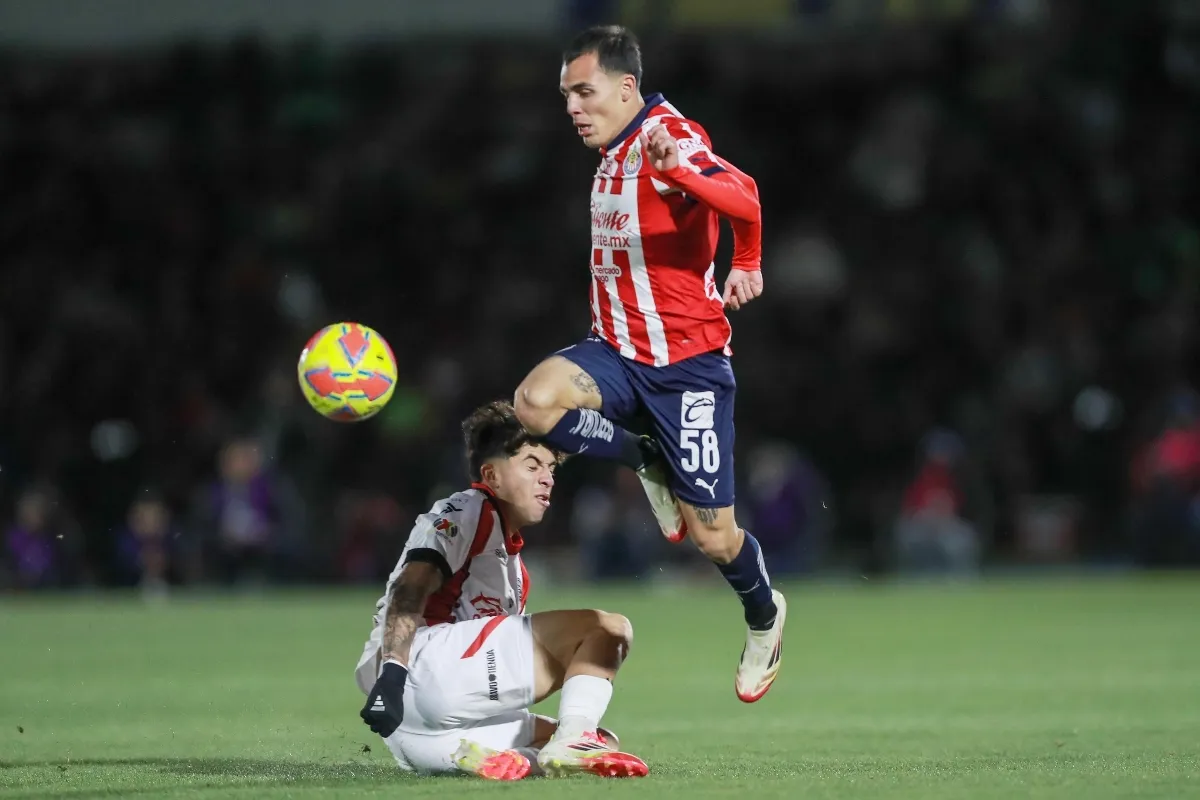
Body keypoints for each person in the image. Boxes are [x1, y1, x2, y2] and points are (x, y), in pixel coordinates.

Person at [513, 24, 785, 703]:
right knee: (535, 403)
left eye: (585, 91)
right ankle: (644, 457)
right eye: (566, 95)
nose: (573, 107)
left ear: (627, 87)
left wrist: (743, 254)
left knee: (713, 539)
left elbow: (746, 196)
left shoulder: (669, 138)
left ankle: (764, 615)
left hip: (687, 368)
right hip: (614, 352)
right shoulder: (613, 149)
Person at [356, 400, 649, 781]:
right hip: (414, 667)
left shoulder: (514, 572)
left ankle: (477, 757)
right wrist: (394, 672)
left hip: (415, 723)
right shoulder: (468, 509)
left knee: (603, 741)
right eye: (532, 465)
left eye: (551, 468)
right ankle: (574, 738)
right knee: (606, 629)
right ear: (491, 476)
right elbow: (410, 585)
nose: (547, 479)